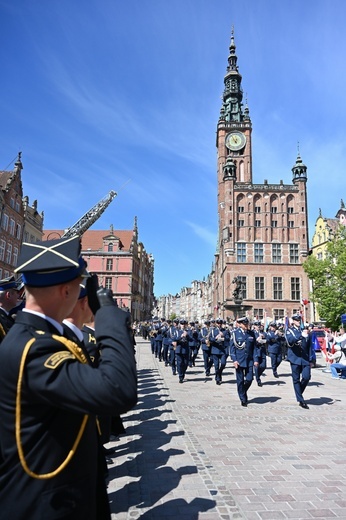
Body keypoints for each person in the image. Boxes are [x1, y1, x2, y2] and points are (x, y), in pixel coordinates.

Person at [0, 236, 137, 520]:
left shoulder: (45, 338)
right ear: (66, 291)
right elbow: (116, 390)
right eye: (79, 286)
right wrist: (109, 317)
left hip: (65, 493)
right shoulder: (33, 348)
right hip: (45, 504)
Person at [285, 314, 315, 409]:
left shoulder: (305, 331)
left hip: (305, 358)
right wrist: (300, 336)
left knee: (306, 377)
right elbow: (290, 341)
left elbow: (310, 347)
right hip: (295, 358)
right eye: (297, 320)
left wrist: (312, 359)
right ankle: (301, 400)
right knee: (296, 379)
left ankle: (299, 393)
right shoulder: (289, 331)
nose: (298, 321)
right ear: (293, 321)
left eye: (299, 320)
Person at [229, 316, 257, 406]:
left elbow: (255, 348)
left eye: (247, 324)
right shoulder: (235, 334)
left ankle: (243, 391)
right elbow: (232, 348)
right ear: (240, 324)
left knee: (249, 379)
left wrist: (256, 359)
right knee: (240, 381)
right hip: (239, 360)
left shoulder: (251, 334)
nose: (246, 325)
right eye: (244, 324)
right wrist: (234, 360)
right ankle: (243, 398)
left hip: (249, 360)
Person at [0, 276, 21, 342]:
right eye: (16, 293)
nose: (18, 296)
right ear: (8, 295)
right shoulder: (2, 320)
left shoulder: (7, 317)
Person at [252, 320, 267, 386]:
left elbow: (268, 340)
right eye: (257, 326)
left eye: (259, 326)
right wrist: (257, 339)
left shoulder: (263, 333)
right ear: (254, 326)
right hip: (256, 351)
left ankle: (257, 374)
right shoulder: (252, 333)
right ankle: (258, 380)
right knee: (256, 366)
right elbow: (251, 342)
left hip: (262, 350)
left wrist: (264, 338)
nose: (258, 327)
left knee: (263, 366)